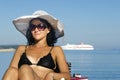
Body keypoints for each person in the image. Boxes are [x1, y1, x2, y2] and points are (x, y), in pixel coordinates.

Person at [2, 10, 71, 80]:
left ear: (48, 29)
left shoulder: (55, 50)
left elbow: (67, 76)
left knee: (25, 69)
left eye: (40, 26)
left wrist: (52, 75)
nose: (36, 29)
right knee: (12, 70)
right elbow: (12, 73)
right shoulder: (21, 49)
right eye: (33, 27)